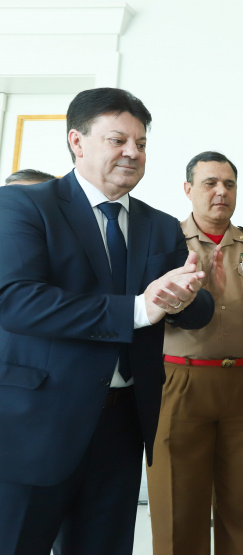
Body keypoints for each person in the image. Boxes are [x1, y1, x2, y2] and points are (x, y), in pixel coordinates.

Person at [0, 87, 214, 555]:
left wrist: (184, 296)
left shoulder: (159, 225)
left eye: (141, 143)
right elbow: (17, 301)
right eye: (118, 140)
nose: (132, 153)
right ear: (77, 141)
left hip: (122, 423)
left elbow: (197, 311)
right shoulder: (24, 206)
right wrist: (139, 309)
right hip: (39, 422)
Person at [147, 151, 243, 554]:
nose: (221, 192)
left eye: (229, 184)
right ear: (188, 189)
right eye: (210, 183)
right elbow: (140, 313)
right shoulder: (163, 243)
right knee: (178, 506)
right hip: (179, 382)